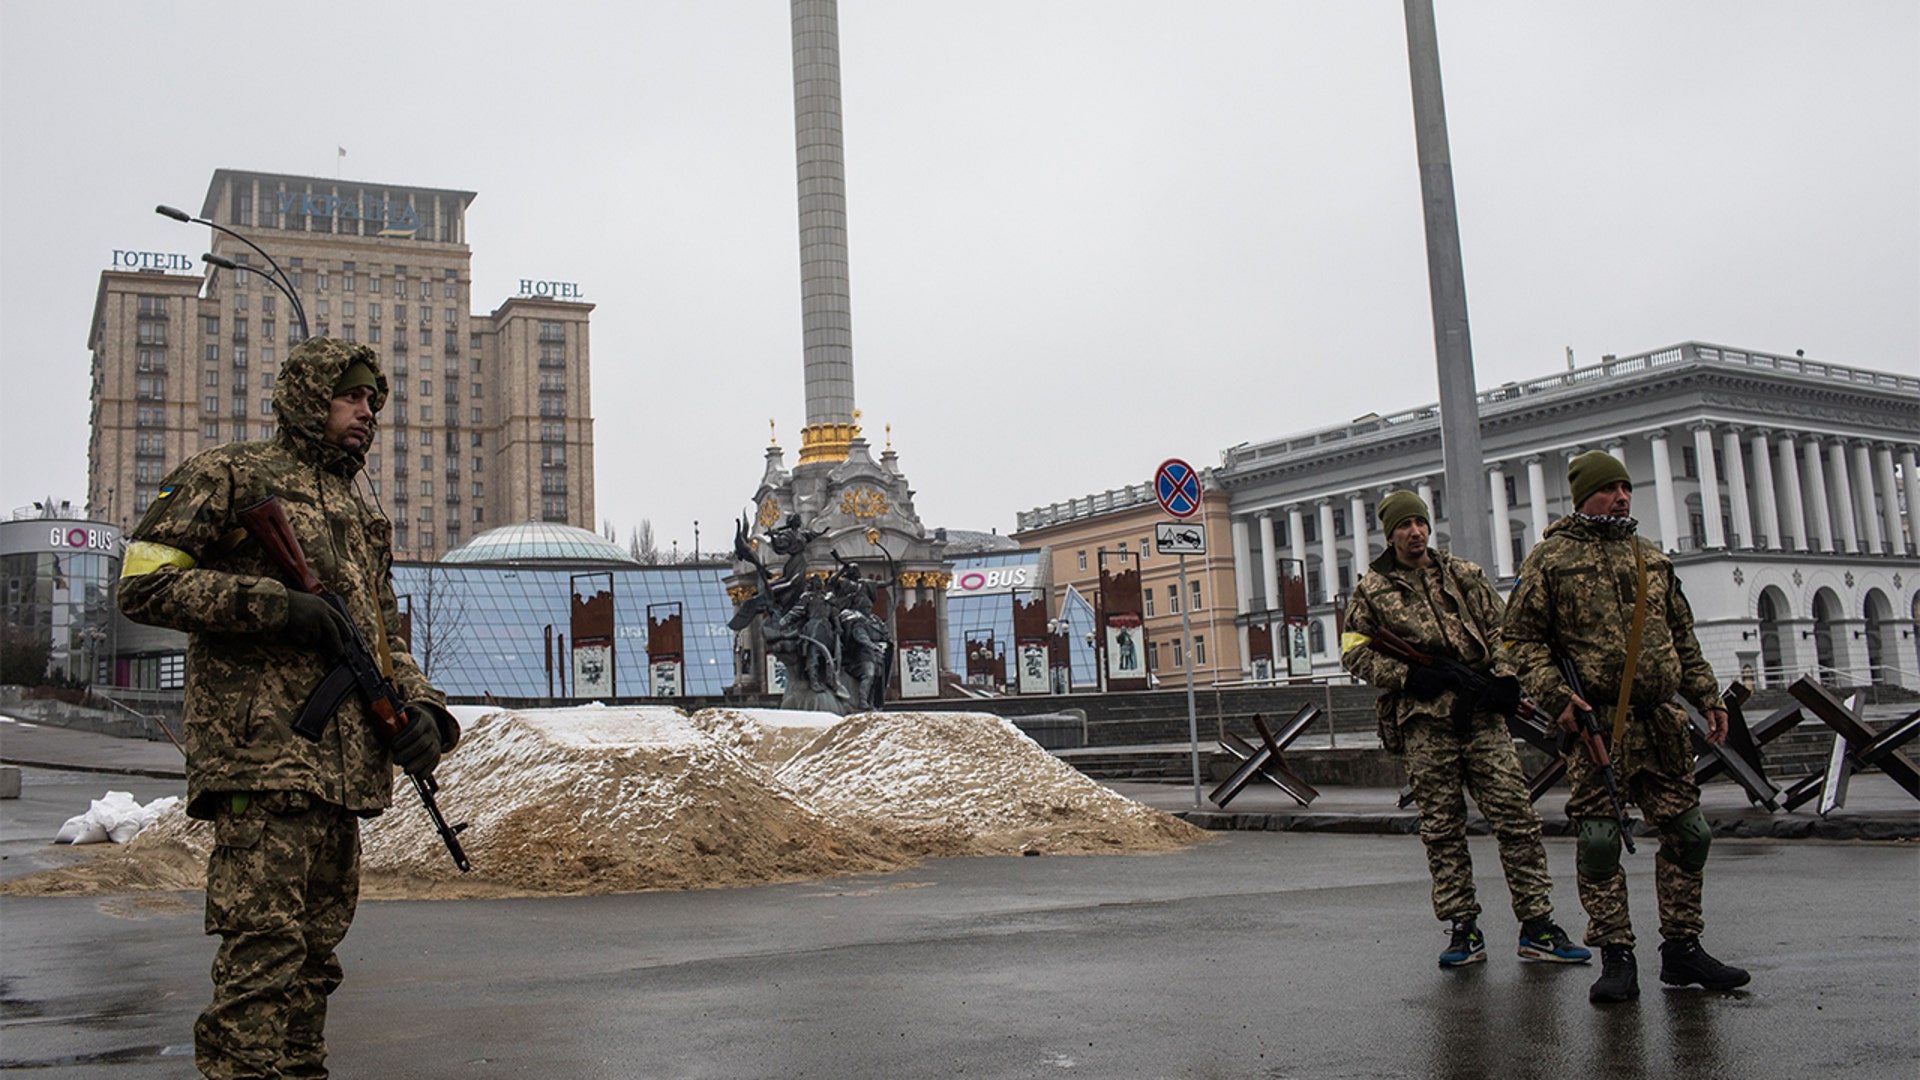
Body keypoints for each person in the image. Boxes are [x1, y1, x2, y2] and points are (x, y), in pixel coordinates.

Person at [119, 338, 459, 1078]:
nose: (367, 412)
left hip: (339, 779)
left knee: (313, 968)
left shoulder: (356, 512)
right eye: (353, 396)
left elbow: (380, 637)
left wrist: (425, 710)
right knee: (260, 965)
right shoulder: (230, 474)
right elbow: (142, 583)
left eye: (374, 401)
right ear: (310, 397)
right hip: (262, 764)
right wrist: (272, 605)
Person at [1504, 450, 1750, 1004]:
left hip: (1660, 722)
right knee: (1598, 842)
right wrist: (1554, 694)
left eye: (1625, 487)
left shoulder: (1652, 558)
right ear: (1583, 495)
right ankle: (1616, 955)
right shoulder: (1549, 559)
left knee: (1691, 834)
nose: (1621, 496)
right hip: (1598, 725)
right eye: (1609, 488)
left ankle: (1682, 949)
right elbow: (1519, 640)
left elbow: (1681, 636)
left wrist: (1707, 696)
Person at [1342, 491, 1590, 969]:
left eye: (1421, 522)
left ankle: (1537, 925)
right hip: (1424, 722)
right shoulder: (1371, 590)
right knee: (1442, 829)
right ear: (1389, 533)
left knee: (1516, 818)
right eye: (1405, 525)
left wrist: (1502, 677)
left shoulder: (1464, 575)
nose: (1415, 532)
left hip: (1482, 716)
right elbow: (1353, 650)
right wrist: (1408, 676)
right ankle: (1462, 928)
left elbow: (1503, 630)